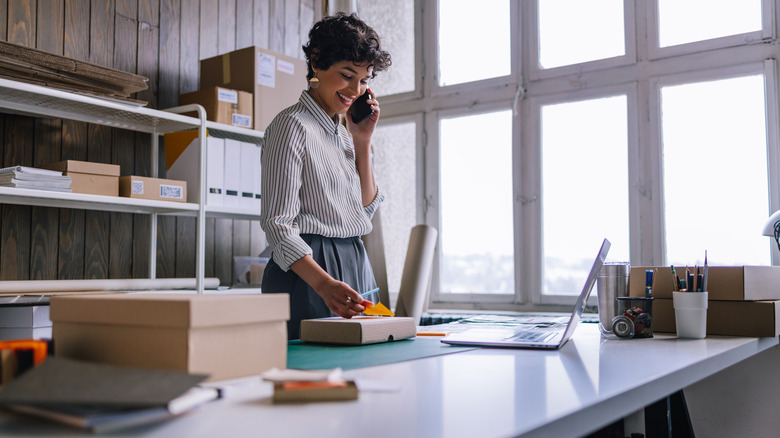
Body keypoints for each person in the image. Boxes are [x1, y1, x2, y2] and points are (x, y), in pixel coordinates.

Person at [260, 12, 392, 340]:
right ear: (317, 64)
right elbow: (277, 225)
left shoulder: (345, 133)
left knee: (362, 373)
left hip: (355, 263)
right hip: (309, 272)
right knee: (307, 374)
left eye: (364, 80)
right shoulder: (290, 126)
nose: (355, 90)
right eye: (347, 75)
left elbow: (363, 212)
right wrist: (323, 284)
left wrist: (363, 141)